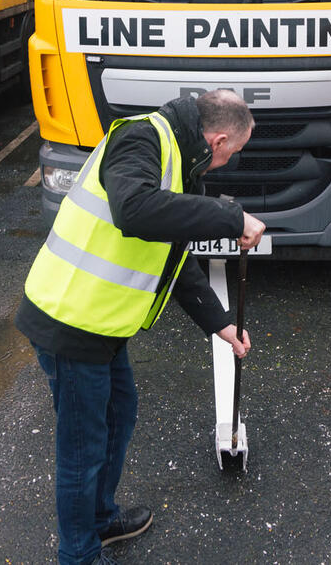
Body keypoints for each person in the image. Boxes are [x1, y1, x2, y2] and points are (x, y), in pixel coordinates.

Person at [16, 89, 267, 565]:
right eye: (231, 155)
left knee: (118, 416)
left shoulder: (180, 160)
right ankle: (79, 554)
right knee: (82, 451)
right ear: (216, 140)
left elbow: (172, 257)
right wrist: (230, 216)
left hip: (101, 324)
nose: (226, 164)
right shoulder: (140, 138)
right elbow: (134, 211)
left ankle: (100, 521)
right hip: (69, 320)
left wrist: (221, 324)